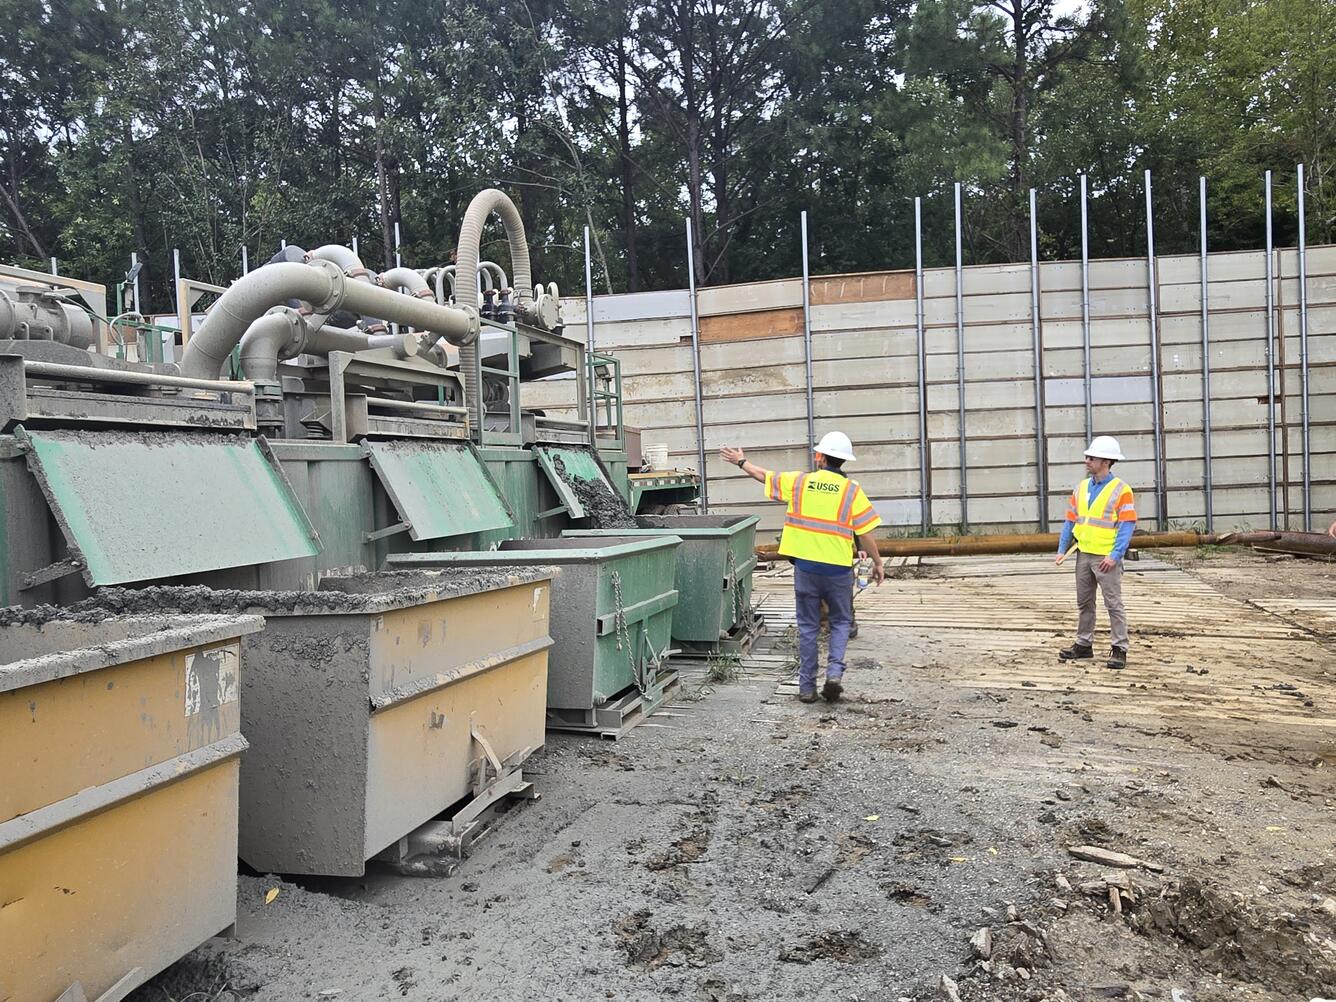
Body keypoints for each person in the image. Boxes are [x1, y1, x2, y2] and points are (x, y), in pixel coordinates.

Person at [719, 432, 885, 703]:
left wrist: (741, 461)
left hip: (806, 568)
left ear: (820, 456)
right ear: (844, 460)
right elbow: (865, 532)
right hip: (838, 570)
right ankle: (834, 674)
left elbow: (764, 476)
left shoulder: (800, 482)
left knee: (808, 627)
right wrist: (877, 563)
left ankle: (807, 688)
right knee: (841, 622)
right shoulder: (852, 490)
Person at [1056, 436, 1137, 669]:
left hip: (1105, 557)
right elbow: (1070, 521)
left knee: (1113, 604)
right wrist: (1062, 549)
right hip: (1083, 554)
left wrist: (1114, 555)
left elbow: (1127, 525)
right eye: (1087, 457)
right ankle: (1083, 644)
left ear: (1106, 461)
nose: (1087, 461)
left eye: (1092, 457)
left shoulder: (1122, 490)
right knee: (1084, 602)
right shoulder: (1081, 488)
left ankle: (1119, 648)